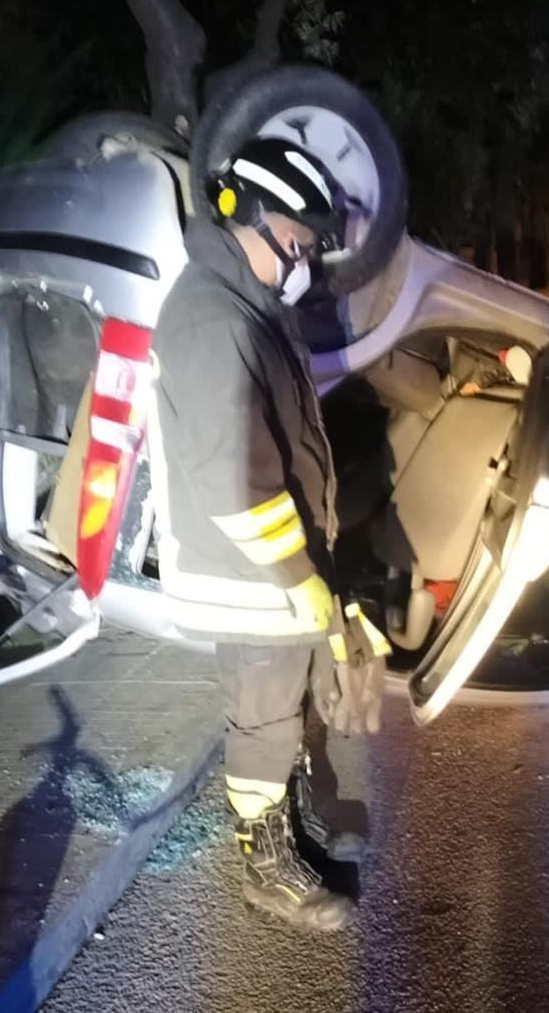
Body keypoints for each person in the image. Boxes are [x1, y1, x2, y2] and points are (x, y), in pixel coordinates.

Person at [149, 136, 386, 931]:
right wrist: (302, 576)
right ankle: (266, 871)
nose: (305, 260)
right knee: (262, 720)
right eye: (299, 241)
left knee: (283, 712)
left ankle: (285, 829)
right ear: (247, 217)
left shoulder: (246, 303)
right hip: (249, 575)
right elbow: (235, 486)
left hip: (269, 572)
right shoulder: (214, 321)